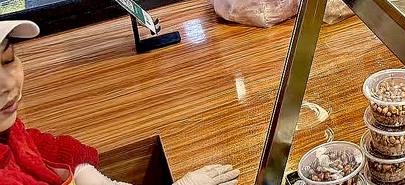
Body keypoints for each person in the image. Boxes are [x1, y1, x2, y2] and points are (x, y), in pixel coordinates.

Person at [0, 20, 238, 185]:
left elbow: (35, 146)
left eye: (8, 60)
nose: (9, 84)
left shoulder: (8, 129)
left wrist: (82, 170)